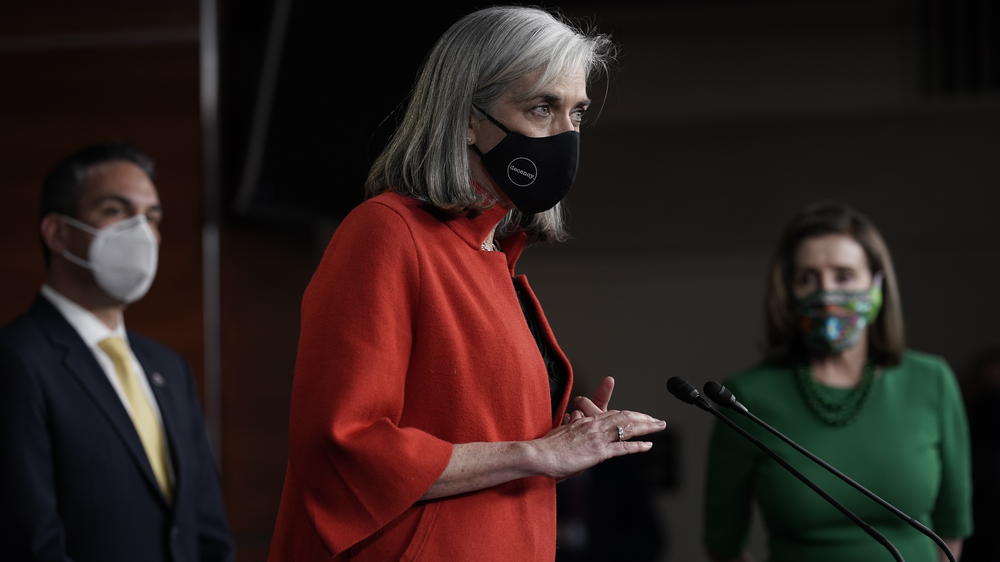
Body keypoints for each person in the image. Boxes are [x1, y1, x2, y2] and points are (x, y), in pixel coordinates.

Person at [267, 6, 666, 561]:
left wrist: (558, 440)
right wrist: (534, 454)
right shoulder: (386, 232)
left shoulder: (492, 254)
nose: (565, 135)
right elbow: (345, 444)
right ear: (467, 117)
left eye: (576, 113)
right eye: (541, 107)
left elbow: (466, 427)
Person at [0, 143, 234, 562]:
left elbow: (206, 524)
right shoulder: (16, 360)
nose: (142, 232)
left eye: (152, 217)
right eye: (115, 210)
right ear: (58, 232)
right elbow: (30, 541)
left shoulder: (169, 368)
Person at [703, 202, 972, 562]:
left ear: (876, 284)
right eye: (807, 278)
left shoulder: (932, 381)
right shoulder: (745, 396)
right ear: (788, 292)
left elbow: (952, 528)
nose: (826, 293)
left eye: (843, 276)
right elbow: (723, 544)